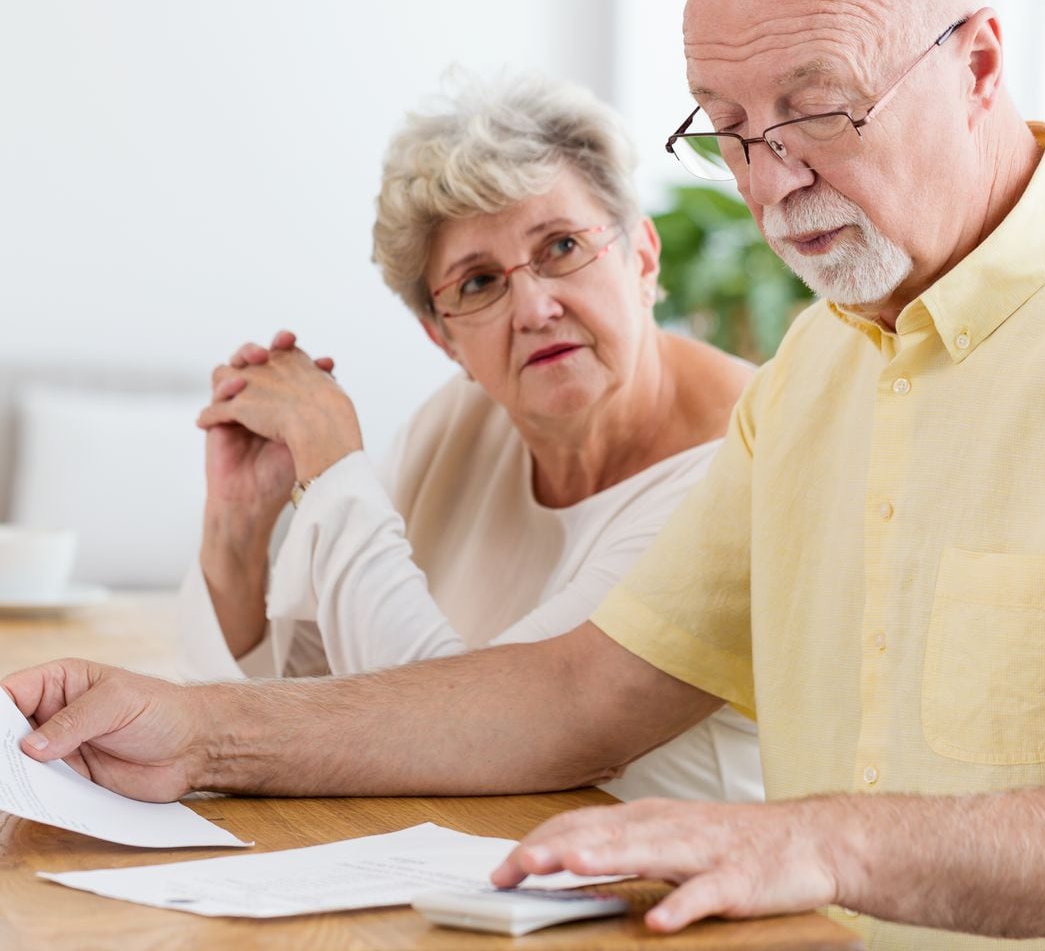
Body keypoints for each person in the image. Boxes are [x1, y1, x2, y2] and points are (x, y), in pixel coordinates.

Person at [6, 0, 1045, 947]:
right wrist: (196, 733)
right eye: (729, 130)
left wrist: (821, 843)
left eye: (813, 107)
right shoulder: (814, 376)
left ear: (978, 63)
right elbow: (574, 697)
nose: (771, 181)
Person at [176, 73, 762, 804]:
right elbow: (313, 688)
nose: (536, 307)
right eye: (479, 284)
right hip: (469, 876)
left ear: (641, 257)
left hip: (665, 900)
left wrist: (333, 468)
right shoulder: (461, 421)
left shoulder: (746, 459)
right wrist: (238, 526)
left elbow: (465, 741)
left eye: (561, 246)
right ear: (442, 336)